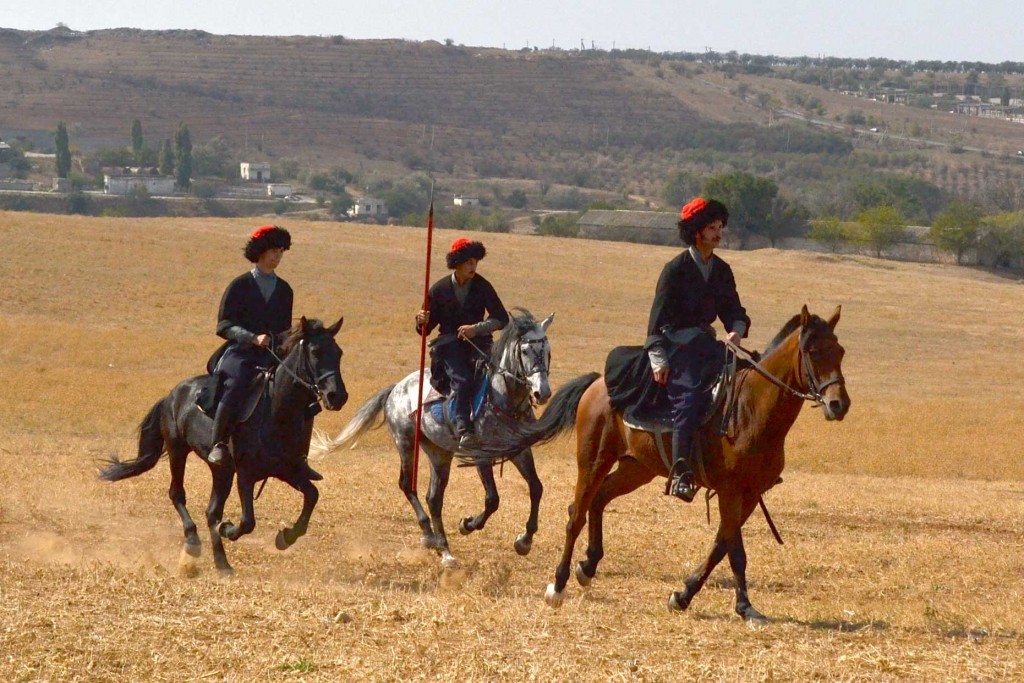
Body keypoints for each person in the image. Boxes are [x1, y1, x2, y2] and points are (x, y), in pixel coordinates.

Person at [646, 198, 750, 502]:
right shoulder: (674, 269)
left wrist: (737, 330)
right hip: (678, 346)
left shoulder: (722, 269)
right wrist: (658, 359)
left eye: (720, 227)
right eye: (712, 227)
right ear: (697, 231)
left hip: (709, 344)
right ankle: (681, 473)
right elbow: (656, 322)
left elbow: (734, 310)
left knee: (748, 380)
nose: (719, 233)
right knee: (689, 397)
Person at [209, 225, 294, 465]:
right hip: (241, 353)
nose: (278, 257)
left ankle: (297, 453)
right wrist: (252, 337)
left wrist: (289, 341)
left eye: (281, 252)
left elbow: (284, 328)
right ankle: (219, 442)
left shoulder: (285, 290)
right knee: (236, 384)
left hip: (272, 354)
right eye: (273, 251)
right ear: (260, 251)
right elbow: (223, 325)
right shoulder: (240, 285)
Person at [415, 238, 509, 446]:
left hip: (479, 344)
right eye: (469, 262)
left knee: (499, 377)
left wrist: (476, 328)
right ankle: (463, 427)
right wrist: (422, 321)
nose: (473, 267)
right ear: (458, 263)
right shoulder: (438, 289)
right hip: (449, 346)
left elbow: (501, 318)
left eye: (475, 262)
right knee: (464, 380)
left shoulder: (483, 286)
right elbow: (425, 330)